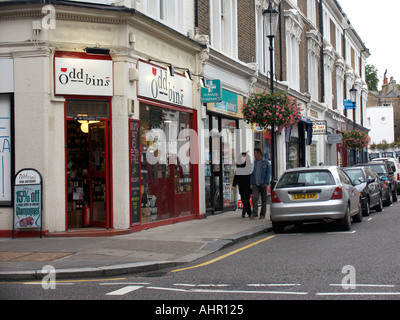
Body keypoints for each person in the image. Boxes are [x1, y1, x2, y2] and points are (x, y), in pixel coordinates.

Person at [250, 148, 271, 219]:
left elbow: (268, 173)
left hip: (263, 183)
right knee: (254, 198)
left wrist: (266, 183)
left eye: (255, 153)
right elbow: (252, 173)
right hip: (255, 183)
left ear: (259, 153)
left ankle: (262, 214)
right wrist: (251, 183)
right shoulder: (255, 162)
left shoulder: (266, 162)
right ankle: (255, 213)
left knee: (263, 199)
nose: (254, 155)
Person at [233, 152, 252, 218]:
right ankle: (249, 212)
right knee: (243, 199)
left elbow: (251, 176)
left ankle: (243, 212)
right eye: (242, 157)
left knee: (247, 198)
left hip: (248, 185)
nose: (243, 158)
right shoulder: (239, 166)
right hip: (241, 185)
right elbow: (236, 176)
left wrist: (252, 183)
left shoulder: (249, 166)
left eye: (244, 157)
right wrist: (234, 185)